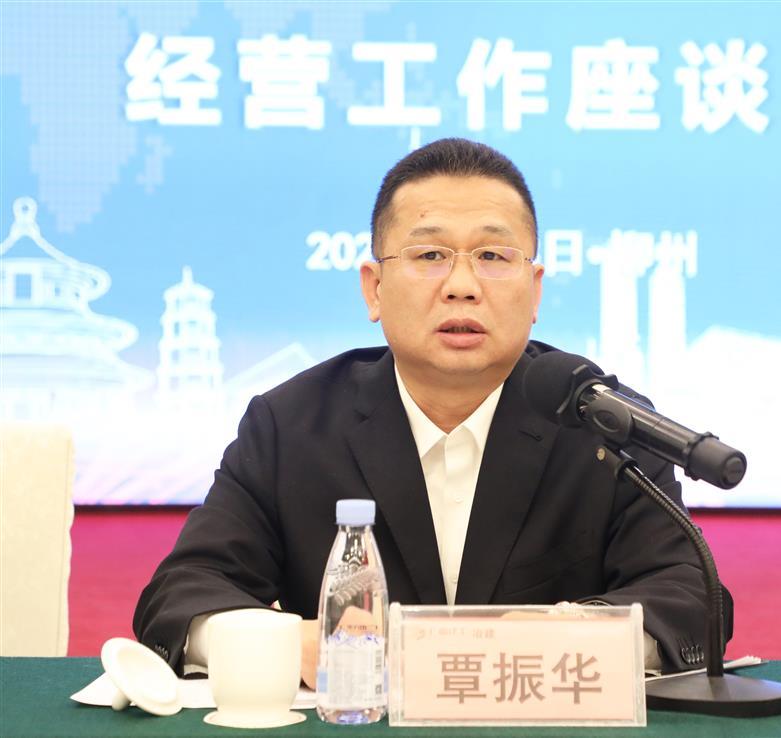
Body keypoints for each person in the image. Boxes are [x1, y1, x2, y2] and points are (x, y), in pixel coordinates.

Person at [134, 138, 731, 685]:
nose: (462, 285)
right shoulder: (290, 427)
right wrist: (291, 644)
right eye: (430, 255)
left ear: (535, 290)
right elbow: (182, 594)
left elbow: (689, 597)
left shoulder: (602, 427)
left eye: (493, 254)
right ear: (373, 288)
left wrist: (568, 634)